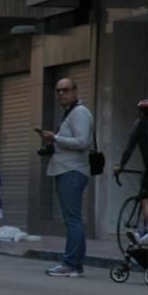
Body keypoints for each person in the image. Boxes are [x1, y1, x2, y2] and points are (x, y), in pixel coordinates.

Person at [41, 78, 93, 277]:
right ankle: (75, 265)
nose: (61, 94)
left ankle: (70, 263)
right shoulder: (71, 113)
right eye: (58, 91)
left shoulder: (79, 113)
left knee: (73, 220)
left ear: (75, 91)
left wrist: (55, 138)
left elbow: (82, 142)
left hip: (72, 171)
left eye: (65, 90)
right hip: (67, 170)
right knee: (73, 219)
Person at [116, 99, 148, 244]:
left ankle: (147, 232)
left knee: (146, 199)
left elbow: (128, 149)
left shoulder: (139, 124)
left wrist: (120, 166)